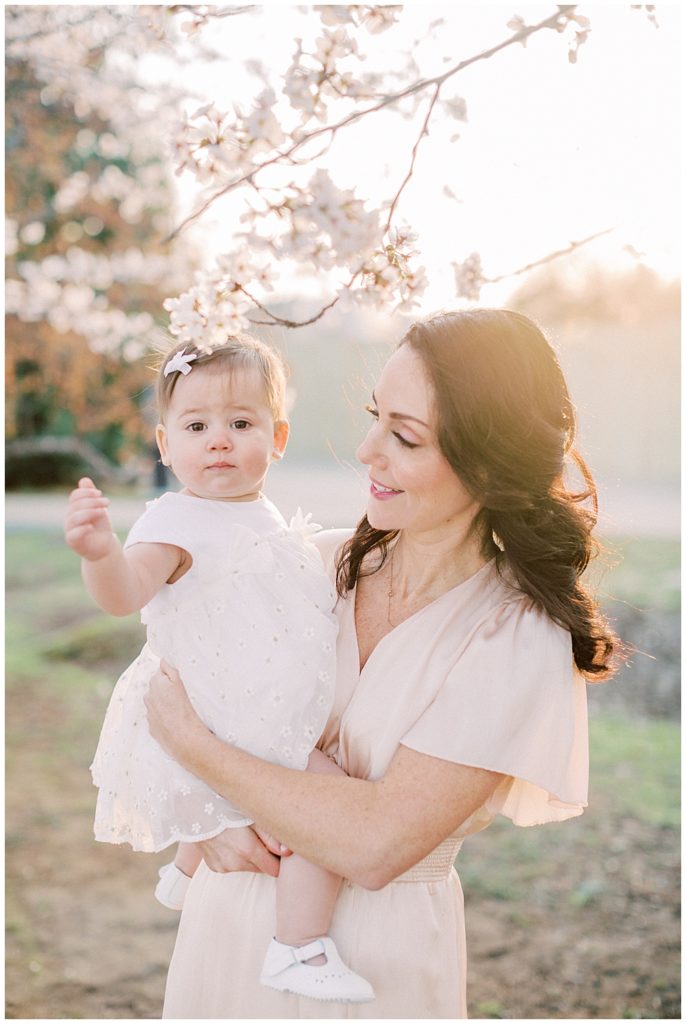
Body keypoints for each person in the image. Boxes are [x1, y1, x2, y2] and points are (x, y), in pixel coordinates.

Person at [145, 308, 620, 1019]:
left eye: (404, 436)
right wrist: (204, 814)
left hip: (378, 965)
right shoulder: (308, 563)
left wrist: (202, 756)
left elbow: (375, 843)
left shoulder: (515, 636)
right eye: (377, 416)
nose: (367, 449)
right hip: (224, 939)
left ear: (487, 463)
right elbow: (165, 687)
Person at [64, 335, 375, 1004]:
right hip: (232, 718)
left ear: (278, 436)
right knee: (328, 803)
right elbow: (125, 592)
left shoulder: (255, 516)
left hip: (253, 701)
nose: (220, 441)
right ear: (165, 443)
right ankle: (297, 946)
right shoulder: (175, 523)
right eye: (197, 426)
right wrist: (100, 554)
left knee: (312, 791)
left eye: (241, 423)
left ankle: (185, 865)